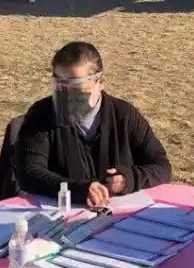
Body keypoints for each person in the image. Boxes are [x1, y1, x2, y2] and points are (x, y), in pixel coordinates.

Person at [13, 42, 171, 207]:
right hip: (60, 218)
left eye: (77, 89)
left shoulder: (124, 115)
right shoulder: (41, 114)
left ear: (101, 82)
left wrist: (127, 179)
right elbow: (29, 173)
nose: (68, 98)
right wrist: (77, 190)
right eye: (61, 88)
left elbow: (161, 167)